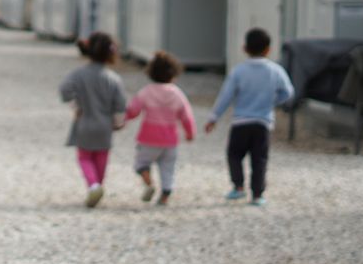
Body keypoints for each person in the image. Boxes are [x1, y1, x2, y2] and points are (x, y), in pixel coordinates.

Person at [204, 28, 294, 207]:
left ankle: (238, 187)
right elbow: (289, 92)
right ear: (268, 49)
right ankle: (257, 195)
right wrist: (274, 101)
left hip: (241, 122)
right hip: (263, 123)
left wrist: (214, 117)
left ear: (244, 48)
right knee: (259, 159)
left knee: (234, 154)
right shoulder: (275, 70)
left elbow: (226, 96)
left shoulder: (239, 71)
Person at [60, 32, 128, 207]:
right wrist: (119, 121)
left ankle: (93, 185)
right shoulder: (113, 78)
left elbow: (65, 89)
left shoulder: (78, 74)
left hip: (84, 122)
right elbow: (120, 104)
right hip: (105, 125)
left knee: (84, 157)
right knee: (101, 157)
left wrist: (76, 106)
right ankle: (99, 184)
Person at [125, 51, 195, 206]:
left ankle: (149, 182)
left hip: (148, 138)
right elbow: (186, 115)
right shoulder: (177, 94)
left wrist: (123, 119)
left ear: (150, 73)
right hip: (170, 139)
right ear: (174, 74)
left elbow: (133, 110)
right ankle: (165, 193)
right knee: (167, 167)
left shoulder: (146, 92)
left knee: (141, 162)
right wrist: (190, 132)